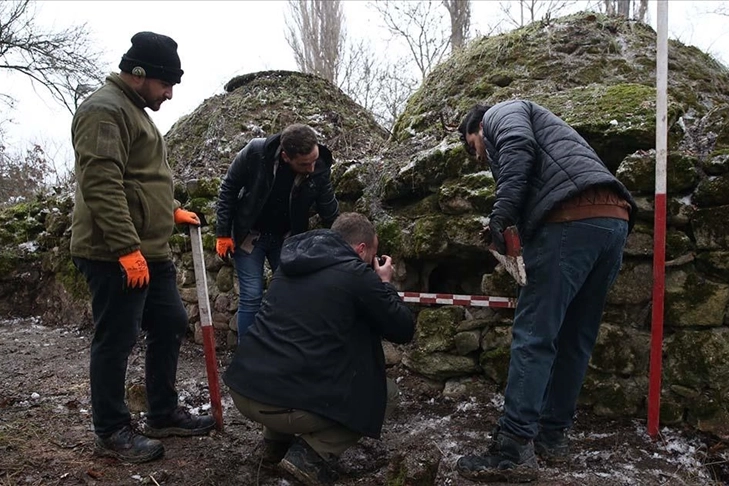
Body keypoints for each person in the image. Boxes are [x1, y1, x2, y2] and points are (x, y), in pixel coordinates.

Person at [455, 101, 637, 483]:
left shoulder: (501, 114)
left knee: (535, 334)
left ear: (475, 129)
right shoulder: (548, 128)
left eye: (473, 147)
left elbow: (518, 149)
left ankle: (514, 448)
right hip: (612, 221)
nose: (478, 155)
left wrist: (499, 218)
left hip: (570, 220)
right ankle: (553, 435)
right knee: (575, 336)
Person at [70, 32, 215, 464]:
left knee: (170, 321)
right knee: (117, 339)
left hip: (149, 249)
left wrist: (170, 208)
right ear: (139, 75)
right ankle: (112, 430)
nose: (169, 94)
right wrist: (125, 248)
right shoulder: (103, 111)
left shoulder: (132, 110)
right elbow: (102, 183)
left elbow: (140, 176)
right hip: (112, 251)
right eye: (166, 84)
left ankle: (163, 412)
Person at [224, 212, 415, 486]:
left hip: (243, 389)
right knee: (385, 393)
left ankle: (274, 444)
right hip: (287, 407)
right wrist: (384, 283)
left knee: (290, 355)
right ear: (362, 250)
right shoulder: (357, 274)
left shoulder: (290, 263)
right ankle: (310, 456)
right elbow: (402, 329)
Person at [215, 124, 340, 343]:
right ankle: (248, 357)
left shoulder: (319, 167)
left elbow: (329, 210)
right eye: (304, 164)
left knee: (290, 295)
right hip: (249, 235)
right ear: (285, 157)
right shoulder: (256, 152)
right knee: (252, 296)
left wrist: (345, 247)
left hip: (286, 238)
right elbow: (229, 188)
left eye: (314, 159)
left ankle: (282, 353)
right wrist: (223, 233)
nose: (312, 168)